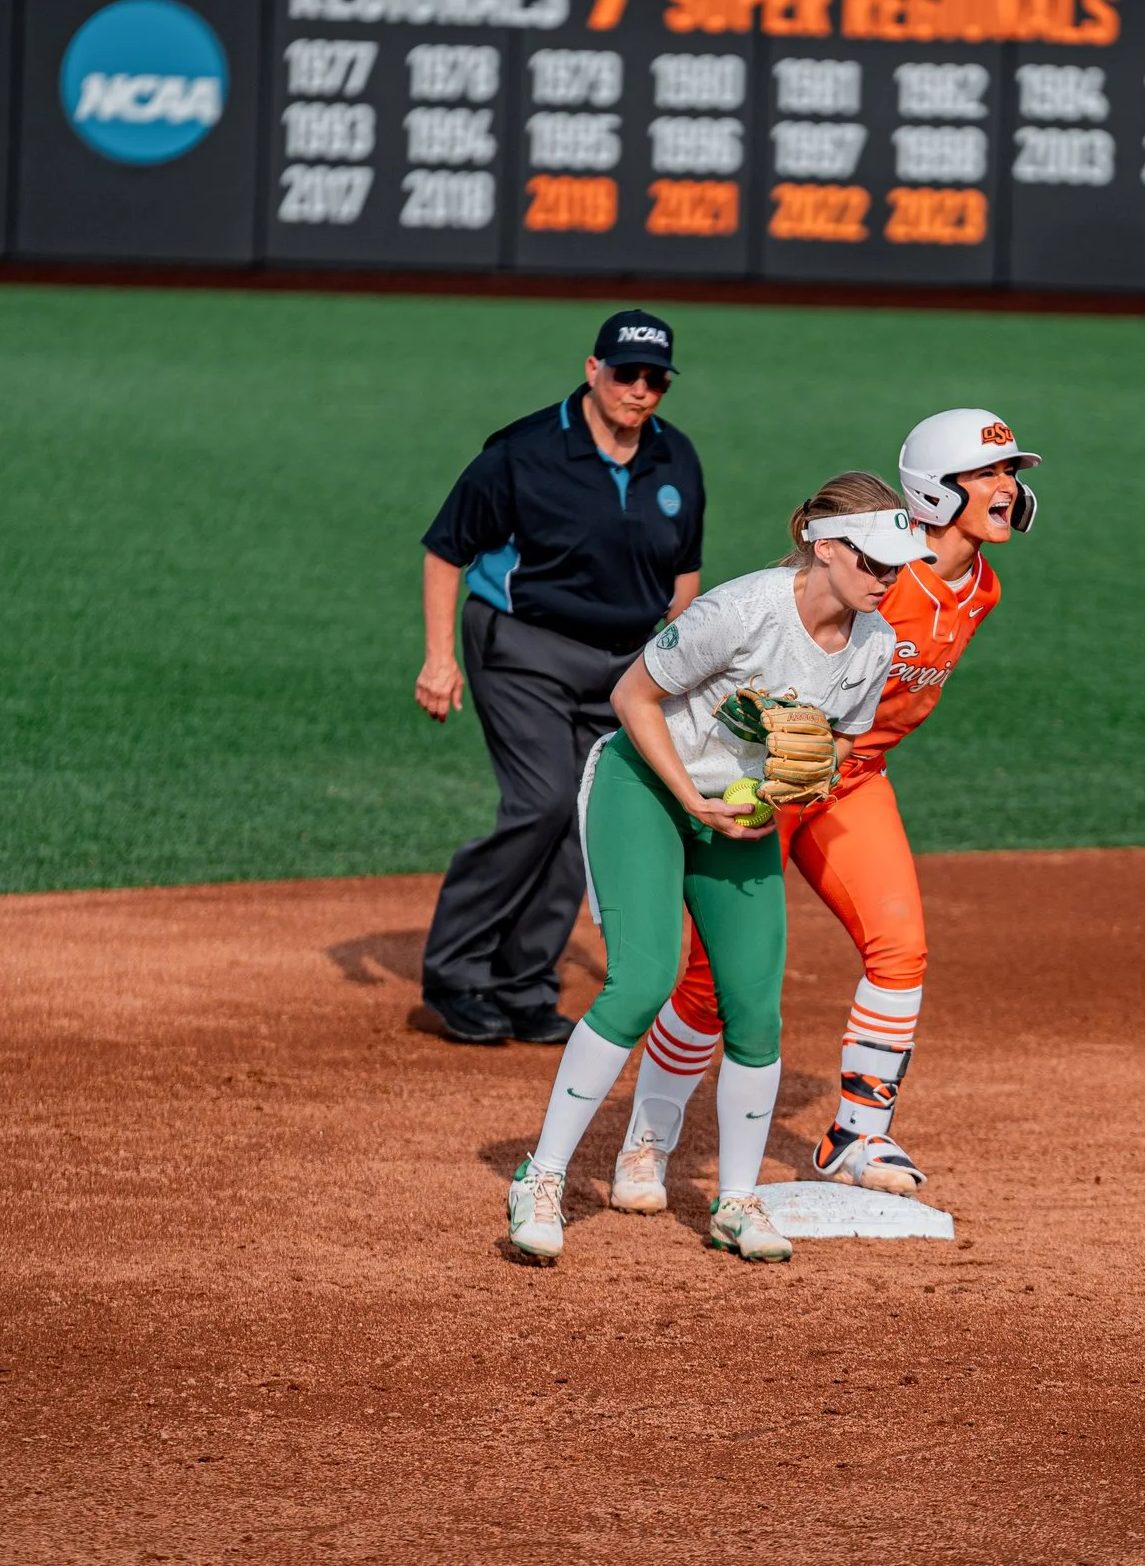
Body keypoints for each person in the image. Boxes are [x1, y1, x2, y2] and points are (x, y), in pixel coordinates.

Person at [603, 410, 1042, 1207]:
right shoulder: (878, 571)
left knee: (901, 945)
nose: (1008, 488)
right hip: (775, 779)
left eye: (1012, 473)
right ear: (935, 492)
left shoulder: (982, 586)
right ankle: (647, 1139)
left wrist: (840, 759)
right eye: (990, 474)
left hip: (854, 781)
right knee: (709, 980)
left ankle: (855, 1134)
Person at [503, 473, 933, 1264]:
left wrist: (812, 773)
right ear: (825, 547)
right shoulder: (740, 611)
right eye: (874, 561)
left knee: (754, 1006)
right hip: (646, 784)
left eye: (897, 565)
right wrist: (693, 803)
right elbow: (632, 695)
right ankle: (541, 1174)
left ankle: (734, 1203)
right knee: (640, 982)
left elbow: (842, 737)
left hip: (739, 812)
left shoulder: (876, 644)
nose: (888, 578)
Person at [414, 310, 703, 1046]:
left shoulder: (676, 460)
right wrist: (439, 658)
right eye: (626, 374)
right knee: (541, 802)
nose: (640, 391)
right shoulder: (522, 453)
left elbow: (684, 577)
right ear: (592, 369)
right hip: (523, 648)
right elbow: (447, 550)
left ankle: (523, 983)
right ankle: (455, 974)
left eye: (655, 380)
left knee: (585, 819)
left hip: (623, 667)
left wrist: (672, 670)